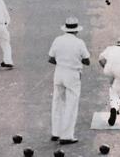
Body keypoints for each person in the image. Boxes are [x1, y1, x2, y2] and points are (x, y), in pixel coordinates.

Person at [48, 17, 90, 145]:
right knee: (71, 104)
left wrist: (61, 62)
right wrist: (76, 61)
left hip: (59, 72)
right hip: (72, 74)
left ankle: (56, 132)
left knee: (57, 102)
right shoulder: (79, 42)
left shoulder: (58, 40)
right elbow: (87, 60)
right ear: (77, 30)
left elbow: (50, 59)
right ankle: (66, 135)